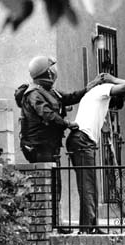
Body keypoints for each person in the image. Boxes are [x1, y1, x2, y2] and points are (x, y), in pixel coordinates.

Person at [19, 55, 97, 234]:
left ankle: (55, 223)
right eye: (51, 68)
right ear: (46, 72)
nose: (54, 71)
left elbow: (68, 98)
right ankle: (48, 224)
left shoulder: (50, 91)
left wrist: (87, 89)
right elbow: (46, 114)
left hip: (51, 146)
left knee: (55, 185)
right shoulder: (34, 94)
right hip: (39, 147)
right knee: (49, 185)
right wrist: (67, 124)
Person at [66, 73, 125, 234]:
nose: (122, 101)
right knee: (88, 186)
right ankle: (87, 228)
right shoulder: (103, 89)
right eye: (123, 98)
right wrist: (111, 79)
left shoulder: (97, 96)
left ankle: (90, 226)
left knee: (90, 186)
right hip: (82, 141)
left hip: (82, 140)